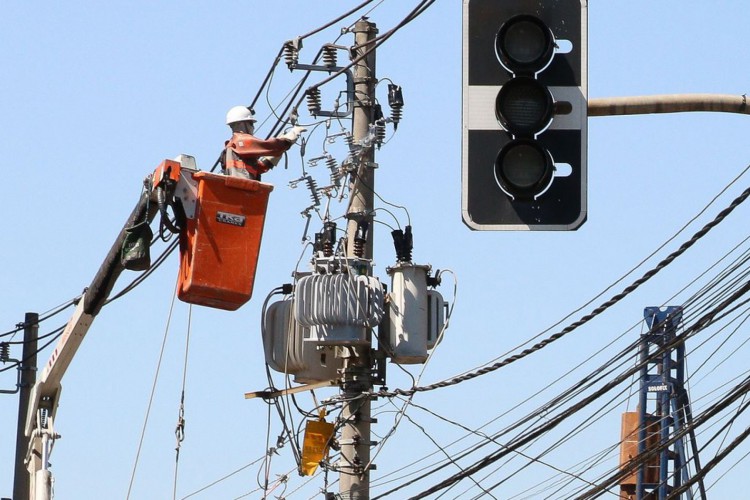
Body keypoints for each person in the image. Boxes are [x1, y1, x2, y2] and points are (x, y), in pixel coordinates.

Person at [222, 106, 306, 179]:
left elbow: (260, 167)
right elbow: (273, 147)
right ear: (241, 124)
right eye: (251, 123)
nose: (253, 127)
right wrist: (292, 134)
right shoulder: (241, 141)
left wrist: (279, 148)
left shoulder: (231, 147)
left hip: (239, 191)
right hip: (243, 188)